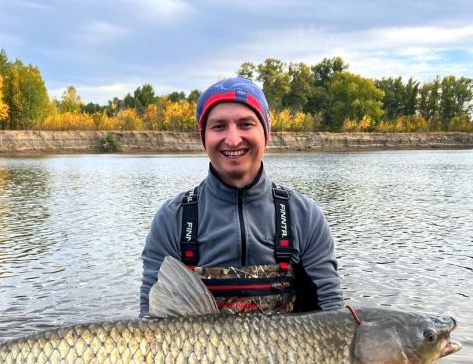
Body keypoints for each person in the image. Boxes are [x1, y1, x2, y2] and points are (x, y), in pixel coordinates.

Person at [140, 77, 343, 316]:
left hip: (289, 355)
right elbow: (150, 322)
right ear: (203, 137)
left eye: (246, 124)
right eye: (219, 126)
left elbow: (332, 314)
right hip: (190, 354)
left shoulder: (305, 217)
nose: (233, 139)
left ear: (266, 133)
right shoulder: (172, 219)